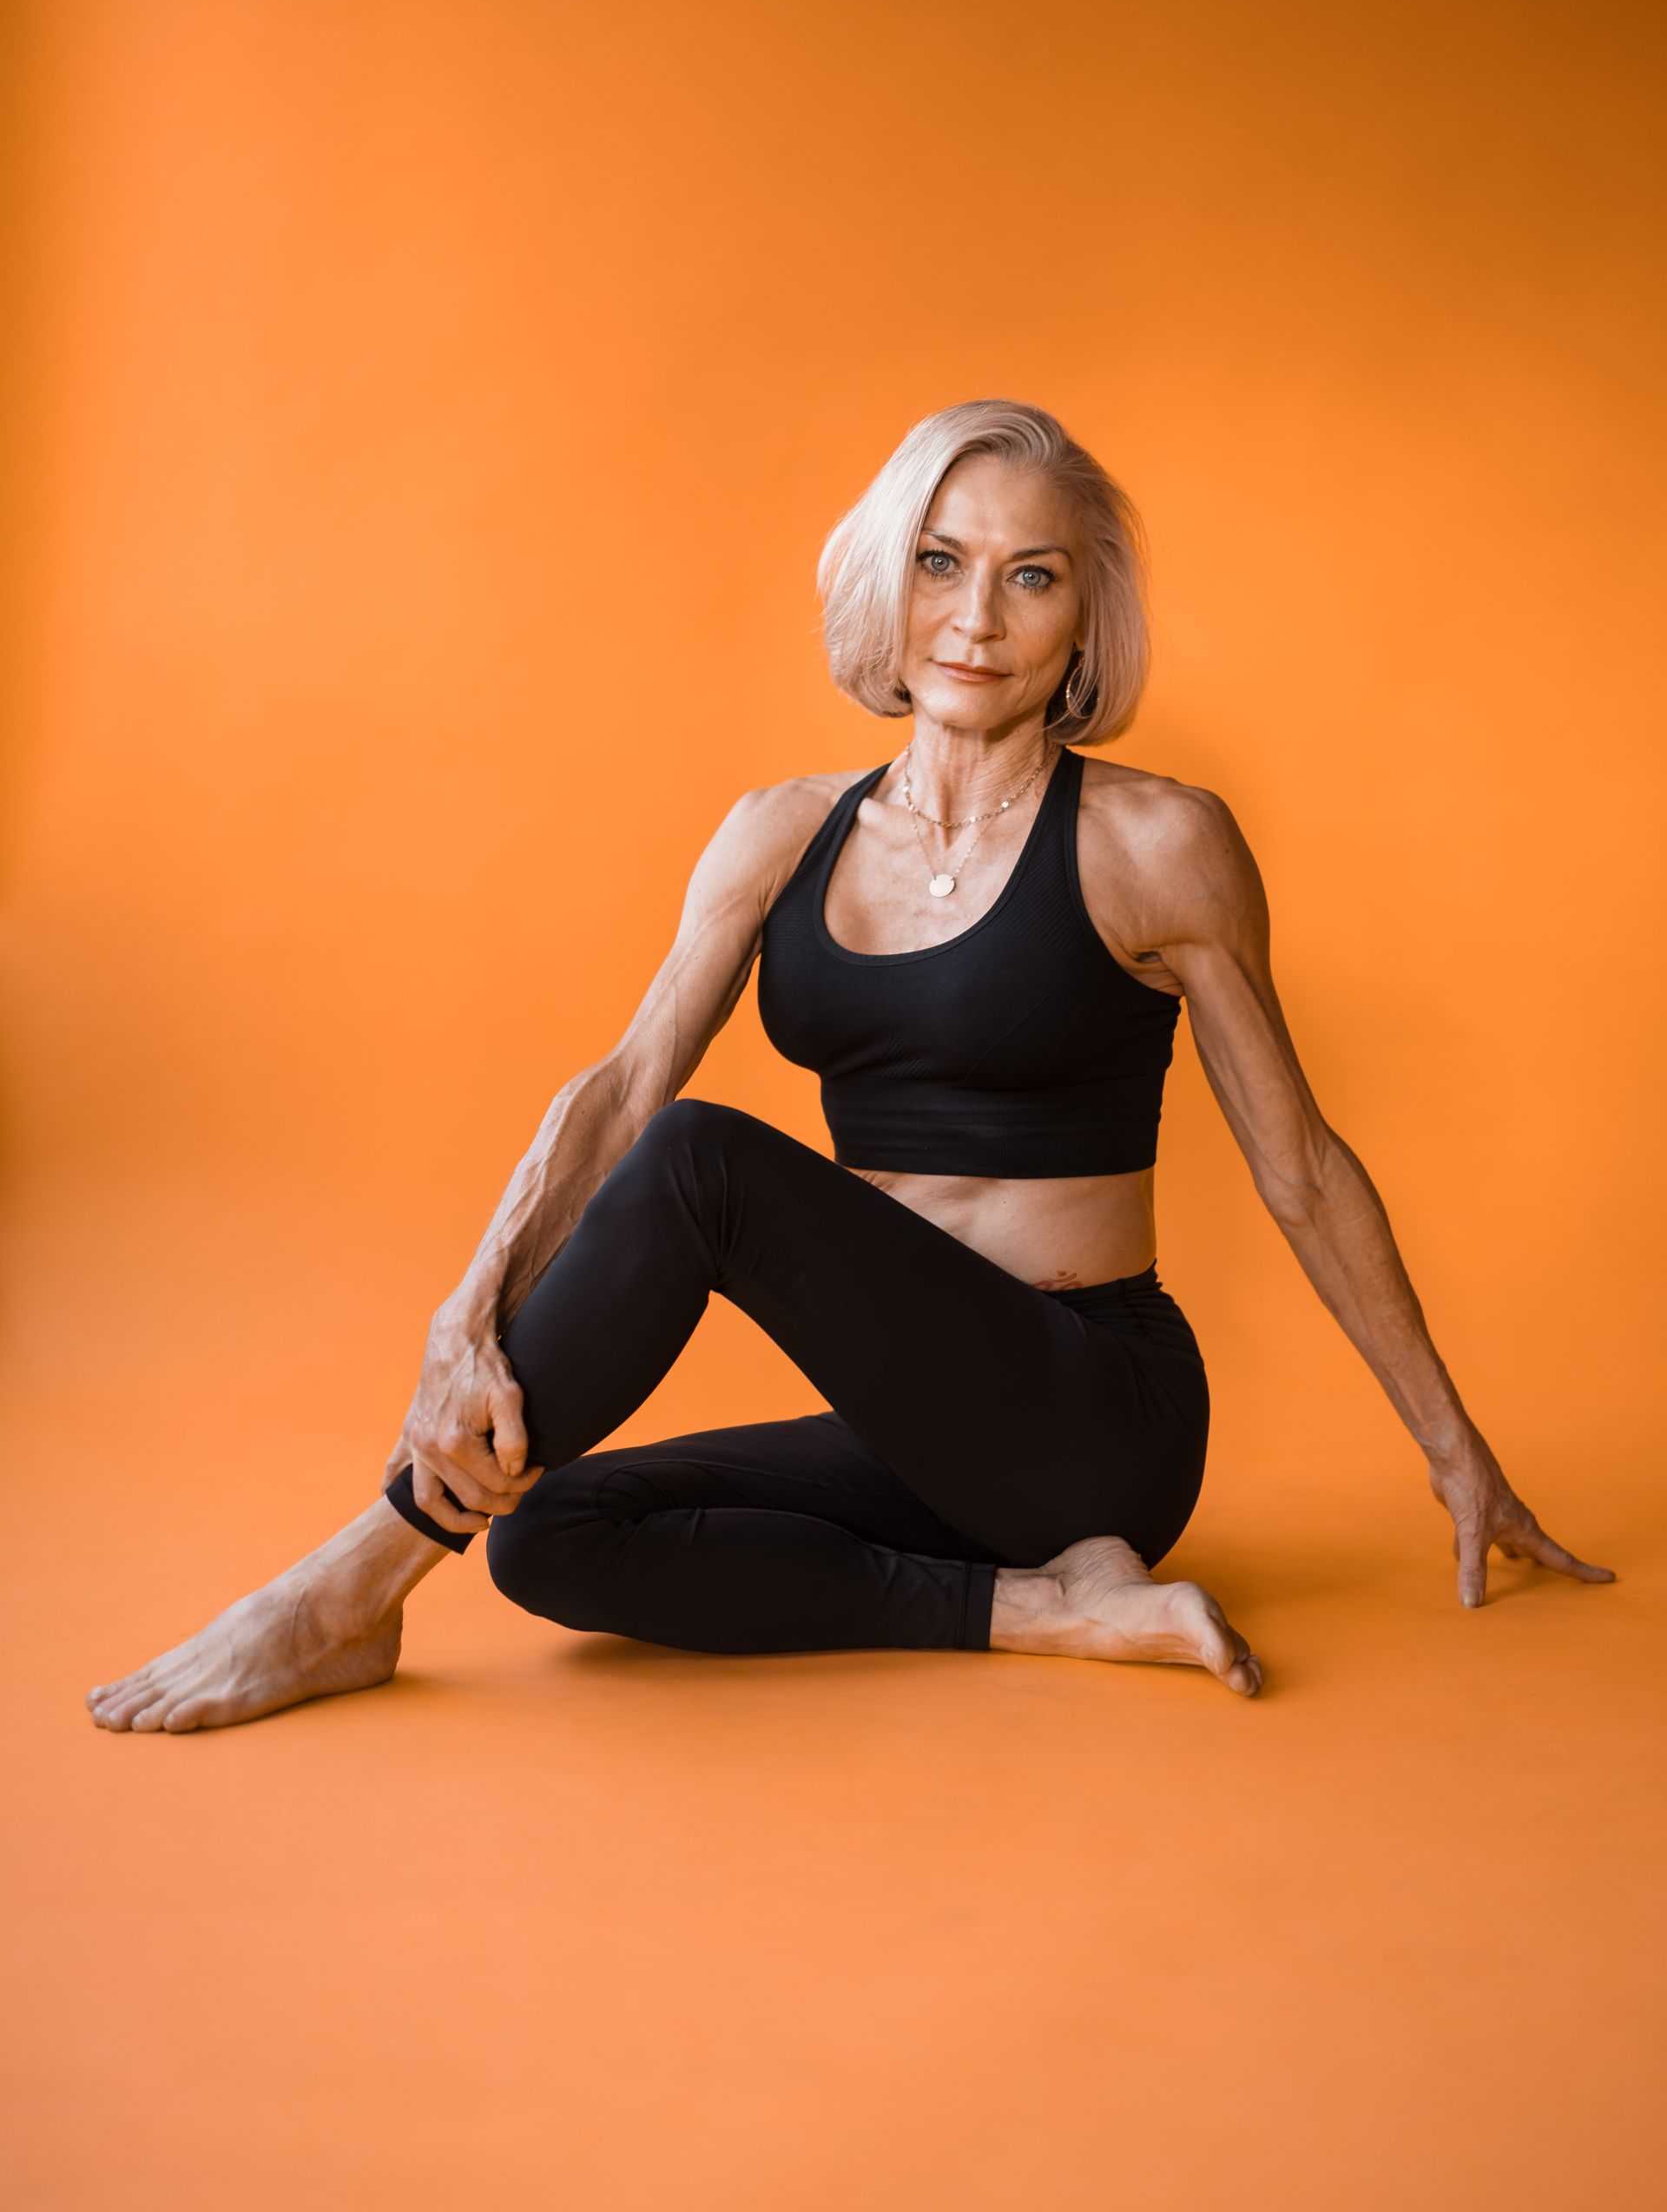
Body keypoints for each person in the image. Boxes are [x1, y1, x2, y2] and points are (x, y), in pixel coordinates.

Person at [86, 398, 1614, 1734]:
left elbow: (1303, 1168)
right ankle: (1053, 1611)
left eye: (1034, 577)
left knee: (703, 1160)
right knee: (555, 1537)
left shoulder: (1157, 844)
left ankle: (349, 1587)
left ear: (1088, 620)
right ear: (887, 580)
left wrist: (1454, 1449)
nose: (977, 617)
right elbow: (616, 1088)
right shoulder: (779, 833)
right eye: (942, 563)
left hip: (1099, 1413)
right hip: (922, 1433)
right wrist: (462, 1313)